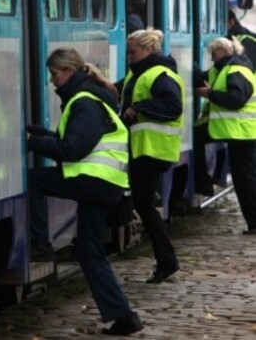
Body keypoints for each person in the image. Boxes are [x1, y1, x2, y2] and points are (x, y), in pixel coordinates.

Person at [27, 48, 143, 336]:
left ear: (69, 72)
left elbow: (72, 150)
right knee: (91, 255)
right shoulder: (88, 97)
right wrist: (39, 134)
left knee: (31, 181)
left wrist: (33, 142)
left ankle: (40, 246)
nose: (52, 81)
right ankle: (123, 317)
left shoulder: (84, 102)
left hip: (93, 182)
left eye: (54, 74)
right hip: (102, 184)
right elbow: (74, 141)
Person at [118, 28, 183, 283]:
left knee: (144, 204)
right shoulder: (141, 74)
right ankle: (167, 260)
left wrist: (139, 108)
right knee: (144, 204)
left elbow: (172, 105)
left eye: (132, 52)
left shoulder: (158, 74)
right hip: (146, 149)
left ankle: (167, 260)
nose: (129, 57)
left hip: (153, 150)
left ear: (147, 50)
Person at [194, 37, 256, 235]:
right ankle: (203, 182)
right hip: (231, 130)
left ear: (224, 51)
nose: (212, 59)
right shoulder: (221, 69)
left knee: (244, 178)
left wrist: (209, 94)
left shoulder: (237, 70)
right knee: (196, 137)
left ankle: (254, 222)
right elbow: (202, 75)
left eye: (214, 54)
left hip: (243, 132)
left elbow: (236, 99)